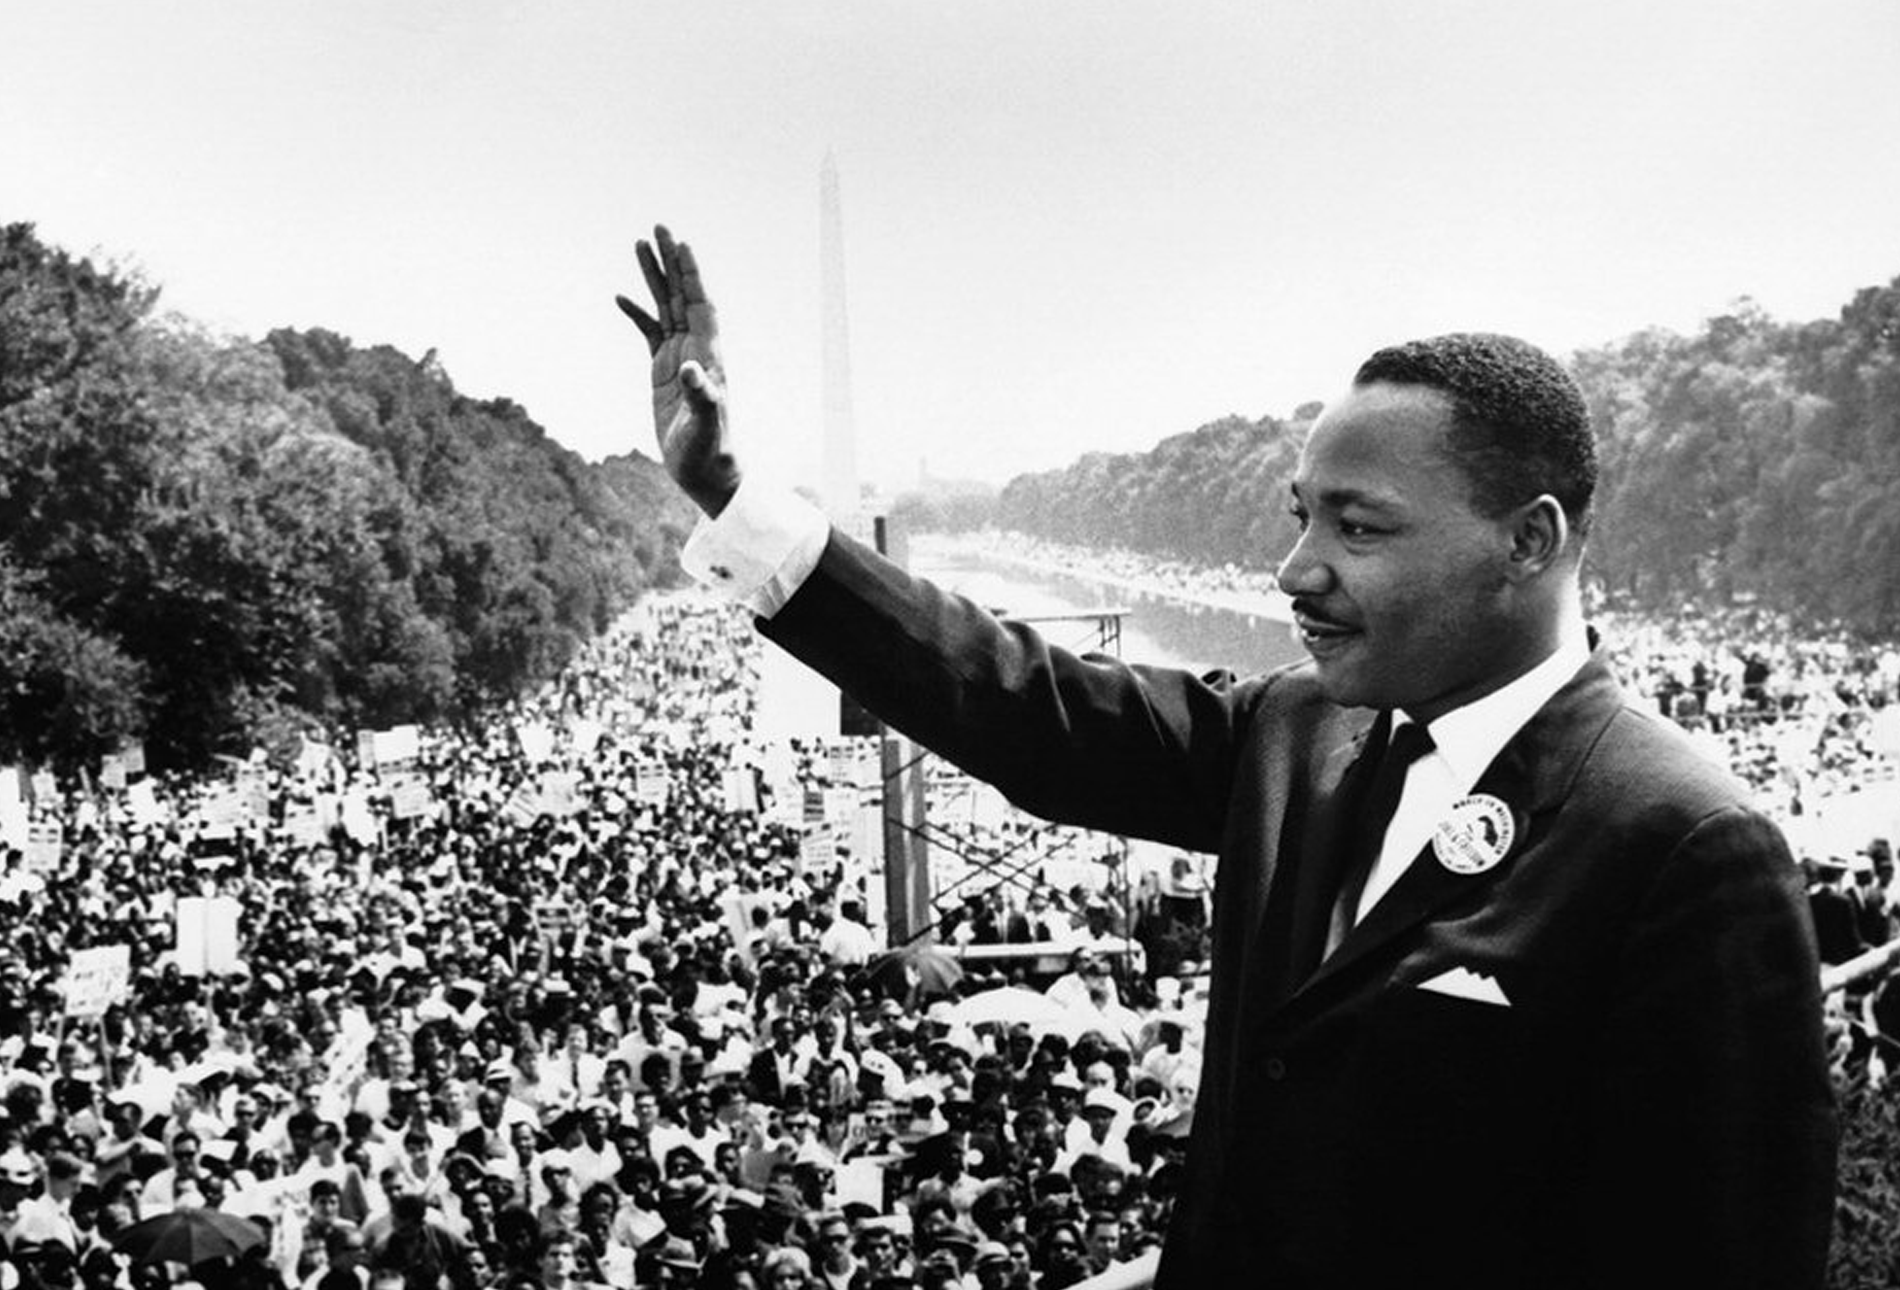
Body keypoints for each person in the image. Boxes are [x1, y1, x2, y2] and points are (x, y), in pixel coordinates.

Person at [617, 226, 1836, 1288]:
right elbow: (1015, 705)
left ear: (1527, 542)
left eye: (1356, 527)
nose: (1294, 569)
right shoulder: (1293, 730)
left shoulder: (1683, 844)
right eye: (1298, 514)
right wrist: (732, 498)